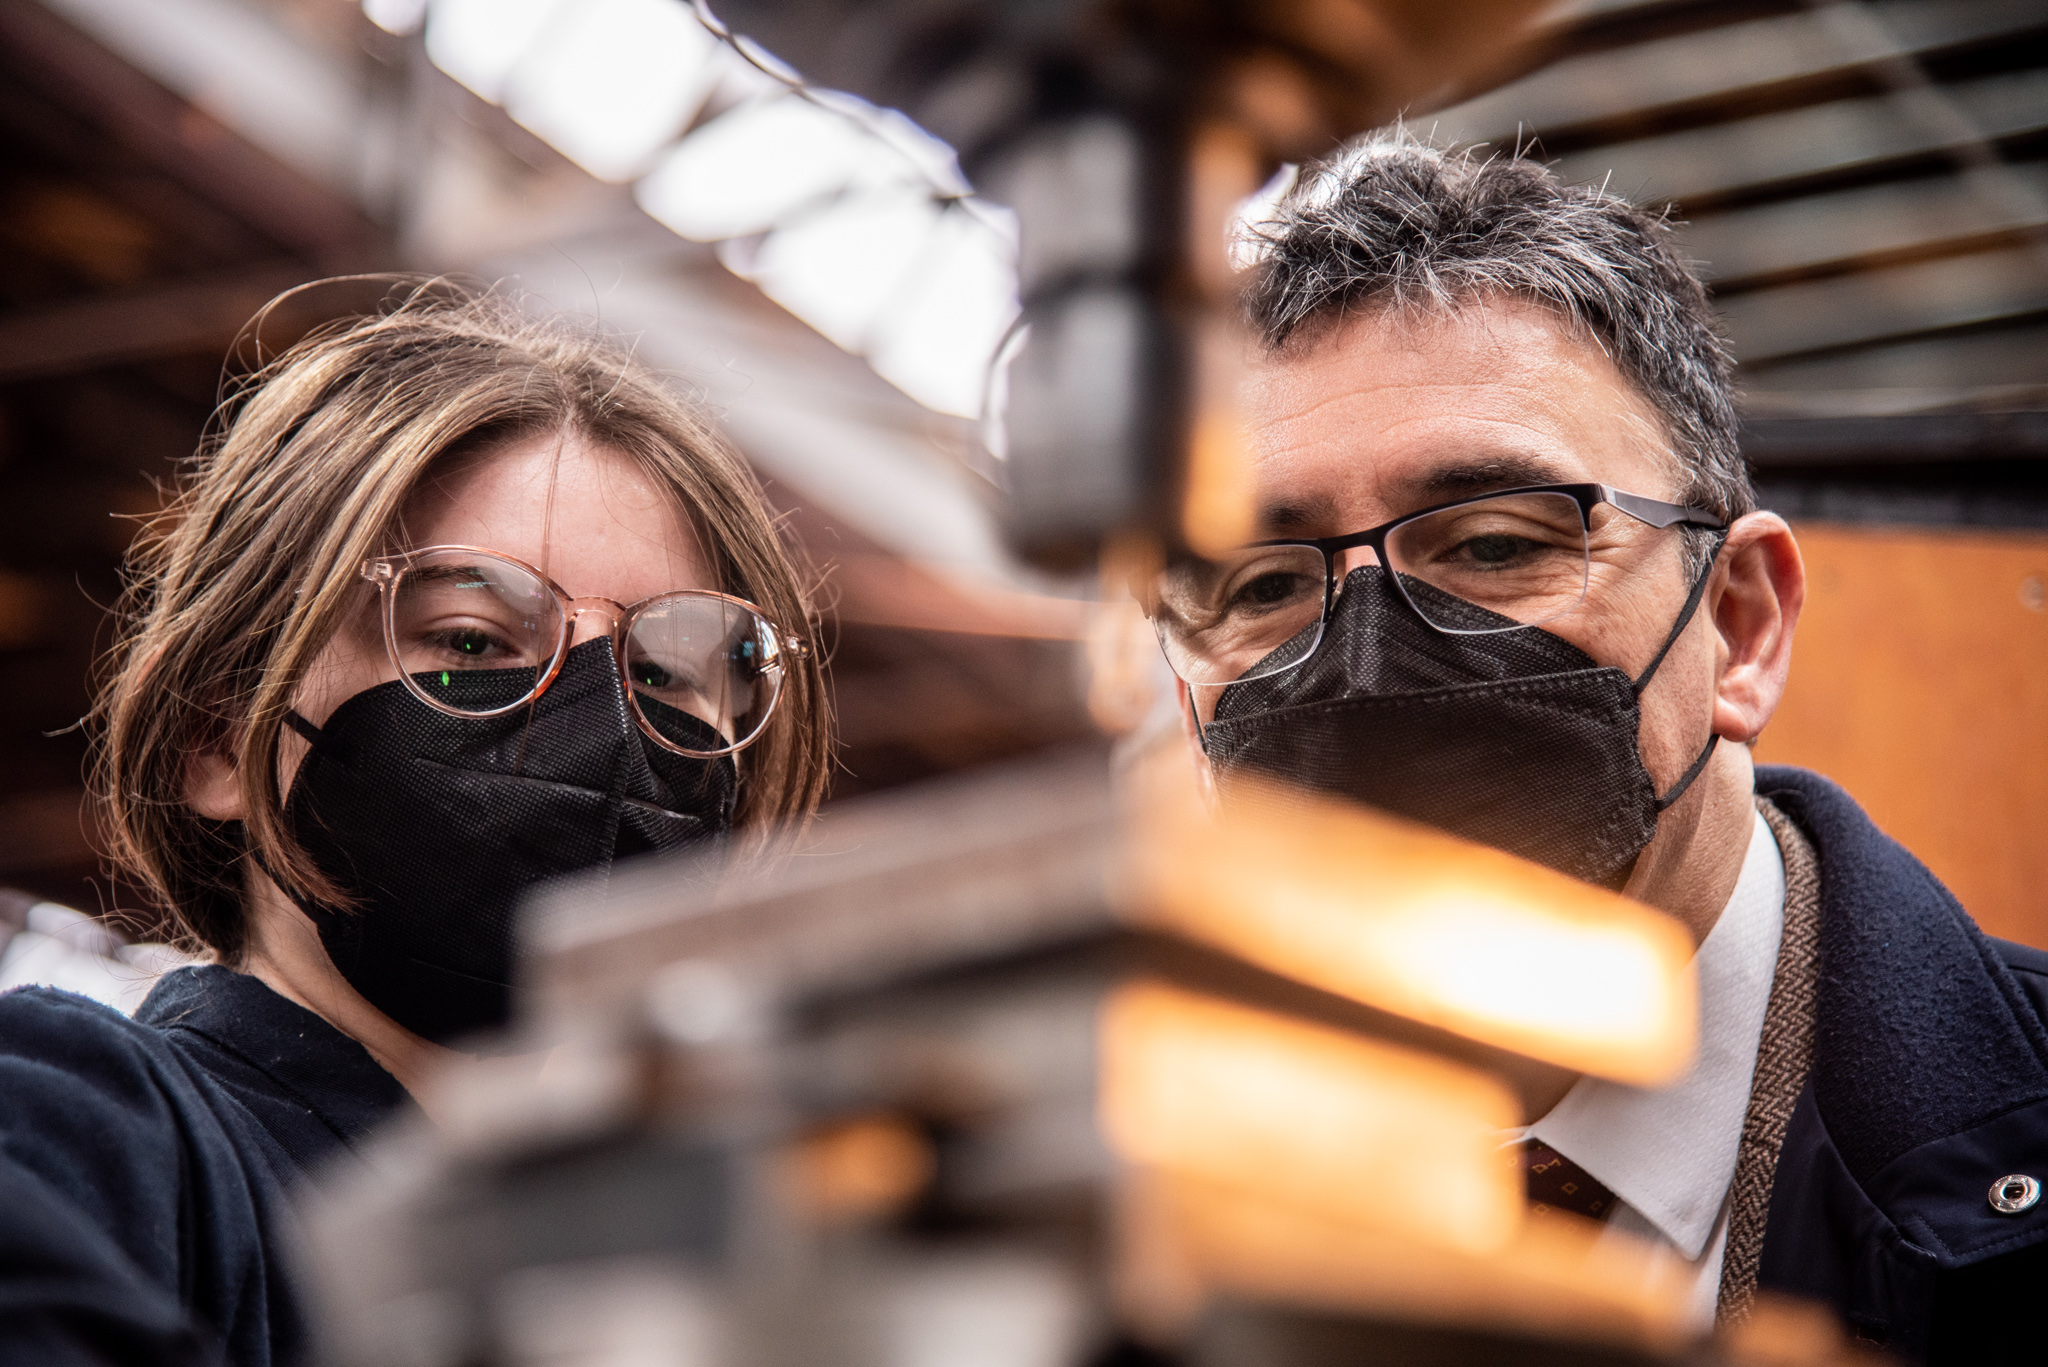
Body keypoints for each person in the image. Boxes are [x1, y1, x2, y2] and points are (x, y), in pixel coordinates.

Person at [1147, 133, 2048, 1363]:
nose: (1364, 658)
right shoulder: (1100, 1219)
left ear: (1738, 623)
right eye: (1259, 585)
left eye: (1495, 544)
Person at [0, 283, 831, 1364]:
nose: (607, 730)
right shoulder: (86, 1131)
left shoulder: (738, 1274)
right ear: (216, 736)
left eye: (667, 674)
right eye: (474, 639)